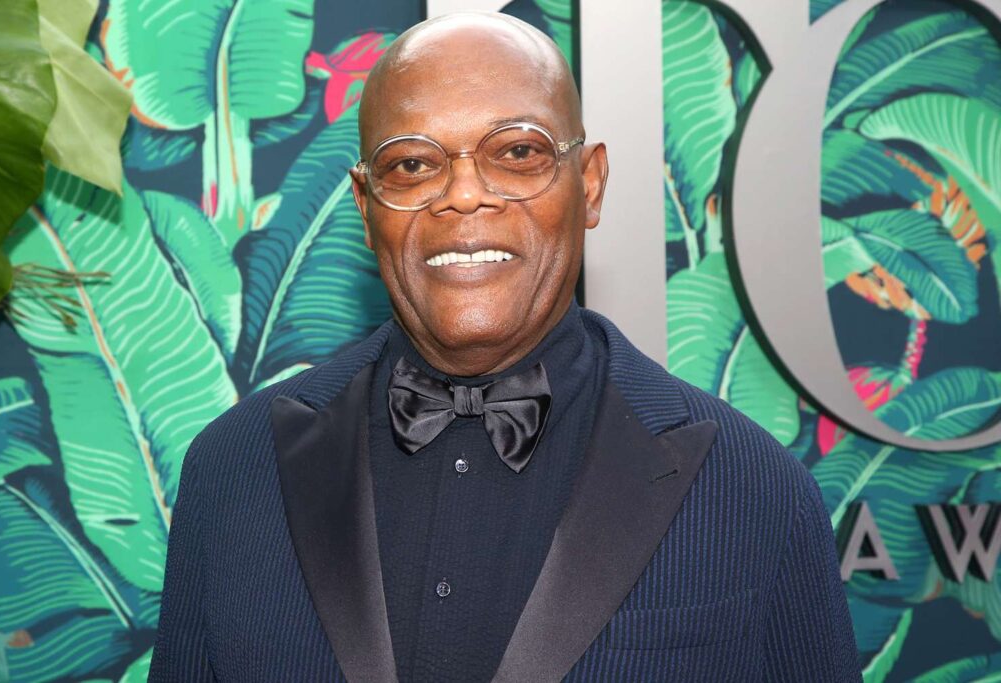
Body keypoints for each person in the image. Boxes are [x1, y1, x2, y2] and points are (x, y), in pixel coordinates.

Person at [148, 12, 861, 683]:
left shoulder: (753, 488)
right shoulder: (234, 470)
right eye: (412, 165)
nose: (463, 196)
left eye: (518, 152)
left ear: (589, 184)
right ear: (365, 208)